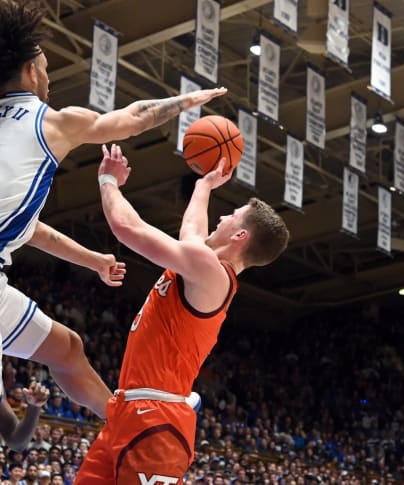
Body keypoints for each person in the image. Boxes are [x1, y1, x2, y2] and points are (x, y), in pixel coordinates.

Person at [0, 2, 227, 484]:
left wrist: (92, 259)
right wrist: (182, 104)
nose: (49, 78)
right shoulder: (51, 121)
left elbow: (21, 224)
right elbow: (133, 118)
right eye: (48, 69)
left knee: (66, 349)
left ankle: (119, 417)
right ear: (31, 69)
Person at [74, 145, 290, 484]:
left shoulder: (211, 273)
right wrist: (203, 186)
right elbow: (191, 231)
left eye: (231, 215)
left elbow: (125, 227)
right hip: (128, 411)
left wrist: (107, 181)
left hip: (156, 421)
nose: (220, 217)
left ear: (239, 235)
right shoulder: (201, 264)